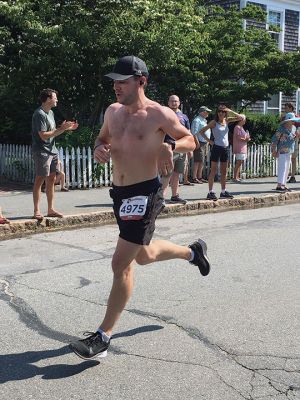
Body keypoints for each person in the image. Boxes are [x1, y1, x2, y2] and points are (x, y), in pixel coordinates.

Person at [69, 55, 211, 360]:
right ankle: (192, 252)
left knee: (120, 264)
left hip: (144, 195)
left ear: (141, 81)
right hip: (120, 194)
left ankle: (103, 337)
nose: (116, 86)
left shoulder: (158, 114)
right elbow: (101, 138)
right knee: (143, 255)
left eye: (123, 81)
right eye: (114, 81)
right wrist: (98, 148)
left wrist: (170, 146)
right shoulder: (113, 111)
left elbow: (191, 140)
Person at [32, 89, 78, 220]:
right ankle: (36, 210)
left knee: (51, 180)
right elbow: (43, 135)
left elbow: (53, 132)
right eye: (55, 97)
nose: (57, 99)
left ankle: (50, 209)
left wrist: (67, 128)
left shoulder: (50, 112)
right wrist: (61, 129)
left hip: (52, 150)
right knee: (40, 180)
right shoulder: (39, 114)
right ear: (47, 99)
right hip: (41, 150)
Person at [199, 105, 243, 200]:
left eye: (223, 112)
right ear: (217, 113)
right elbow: (201, 131)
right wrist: (209, 141)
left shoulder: (227, 120)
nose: (221, 113)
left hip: (225, 148)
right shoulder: (214, 122)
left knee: (224, 171)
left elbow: (241, 117)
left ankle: (223, 191)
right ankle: (210, 192)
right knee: (213, 170)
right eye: (219, 111)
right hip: (216, 147)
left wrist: (230, 110)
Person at [160, 95, 191, 204]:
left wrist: (189, 149)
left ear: (179, 103)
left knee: (177, 173)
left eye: (176, 101)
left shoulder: (184, 117)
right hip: (169, 148)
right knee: (167, 173)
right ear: (168, 102)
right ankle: (161, 197)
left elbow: (188, 133)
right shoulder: (164, 115)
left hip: (181, 148)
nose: (174, 103)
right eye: (172, 101)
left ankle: (174, 195)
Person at [271, 118, 299, 191]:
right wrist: (273, 150)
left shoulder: (293, 128)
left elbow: (292, 139)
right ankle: (279, 185)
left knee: (287, 168)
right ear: (287, 121)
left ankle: (283, 184)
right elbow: (274, 139)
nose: (293, 122)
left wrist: (297, 137)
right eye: (291, 121)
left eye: (293, 121)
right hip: (282, 151)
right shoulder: (281, 129)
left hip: (289, 151)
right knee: (282, 168)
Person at [190, 106, 212, 183]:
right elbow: (194, 132)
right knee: (197, 160)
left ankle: (199, 176)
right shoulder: (197, 120)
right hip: (199, 142)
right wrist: (197, 142)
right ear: (202, 112)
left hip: (204, 142)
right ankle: (194, 177)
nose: (208, 113)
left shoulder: (203, 120)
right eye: (207, 112)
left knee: (202, 160)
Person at [283, 103, 298, 183]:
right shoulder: (285, 117)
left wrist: (297, 135)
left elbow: (298, 128)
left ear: (291, 108)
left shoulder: (296, 117)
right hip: (286, 140)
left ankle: (292, 176)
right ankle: (286, 175)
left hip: (294, 139)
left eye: (286, 107)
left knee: (293, 158)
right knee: (286, 158)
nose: (285, 109)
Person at [232, 114, 251, 182]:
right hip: (239, 147)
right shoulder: (237, 127)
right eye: (244, 120)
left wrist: (247, 138)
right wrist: (245, 139)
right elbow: (238, 137)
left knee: (240, 162)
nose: (245, 121)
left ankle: (237, 176)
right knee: (238, 161)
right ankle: (235, 177)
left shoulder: (241, 127)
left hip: (243, 146)